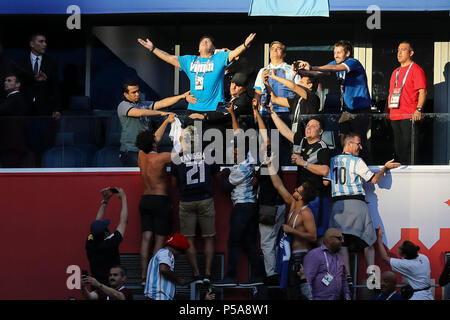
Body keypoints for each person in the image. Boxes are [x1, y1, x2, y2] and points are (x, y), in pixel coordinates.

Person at [324, 133, 400, 286]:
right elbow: (373, 180)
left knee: (341, 243)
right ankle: (372, 281)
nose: (361, 147)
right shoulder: (357, 161)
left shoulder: (332, 161)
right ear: (348, 144)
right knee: (368, 243)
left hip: (337, 206)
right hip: (356, 203)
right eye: (358, 144)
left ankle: (348, 278)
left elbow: (326, 183)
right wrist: (384, 168)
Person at [138, 33, 256, 117]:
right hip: (194, 108)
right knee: (192, 147)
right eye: (202, 42)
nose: (205, 42)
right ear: (198, 49)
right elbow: (169, 58)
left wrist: (245, 45)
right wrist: (153, 49)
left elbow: (235, 53)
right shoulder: (190, 60)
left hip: (215, 109)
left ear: (214, 48)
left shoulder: (219, 58)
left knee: (216, 147)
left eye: (208, 41)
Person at [213, 105, 264, 287]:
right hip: (251, 207)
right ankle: (258, 277)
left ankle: (231, 277)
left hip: (242, 208)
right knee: (250, 244)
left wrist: (224, 172)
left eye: (235, 152)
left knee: (233, 242)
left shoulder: (241, 168)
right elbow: (238, 134)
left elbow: (226, 186)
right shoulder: (249, 157)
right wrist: (233, 113)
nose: (233, 154)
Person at [297, 40, 372, 163]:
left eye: (339, 52)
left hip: (360, 111)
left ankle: (367, 168)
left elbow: (334, 68)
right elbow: (318, 72)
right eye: (334, 52)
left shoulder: (353, 62)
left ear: (347, 53)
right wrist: (301, 70)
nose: (335, 55)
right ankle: (346, 165)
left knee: (359, 142)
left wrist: (311, 67)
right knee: (342, 140)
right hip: (346, 111)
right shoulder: (335, 63)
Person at [170, 125, 221, 284]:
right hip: (205, 198)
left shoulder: (177, 158)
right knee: (209, 238)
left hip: (186, 200)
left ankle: (196, 273)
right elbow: (218, 176)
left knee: (189, 239)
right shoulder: (207, 154)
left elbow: (173, 184)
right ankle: (207, 273)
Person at [270, 111, 331, 239]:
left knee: (315, 234)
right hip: (301, 196)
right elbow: (285, 131)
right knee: (298, 229)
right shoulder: (302, 141)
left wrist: (303, 163)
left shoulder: (323, 148)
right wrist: (272, 113)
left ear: (320, 132)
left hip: (316, 197)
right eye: (308, 125)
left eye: (313, 126)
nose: (308, 128)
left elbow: (325, 170)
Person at [135, 114, 178, 285]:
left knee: (146, 239)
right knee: (159, 240)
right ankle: (154, 274)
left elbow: (154, 140)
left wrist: (166, 121)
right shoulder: (162, 158)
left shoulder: (141, 155)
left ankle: (144, 276)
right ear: (154, 144)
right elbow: (183, 153)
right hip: (160, 201)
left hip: (145, 200)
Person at [267, 158, 317, 300]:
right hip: (289, 257)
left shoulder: (306, 212)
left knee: (300, 293)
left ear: (301, 196)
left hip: (301, 257)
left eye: (298, 189)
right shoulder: (293, 205)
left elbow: (313, 237)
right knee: (289, 292)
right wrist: (270, 166)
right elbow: (279, 186)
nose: (294, 189)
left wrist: (292, 231)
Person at [251, 100, 286, 285]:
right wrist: (256, 112)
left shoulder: (268, 160)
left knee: (267, 242)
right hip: (279, 204)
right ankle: (279, 272)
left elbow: (266, 138)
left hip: (268, 206)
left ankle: (272, 275)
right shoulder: (272, 158)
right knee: (277, 240)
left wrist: (257, 113)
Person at [117, 79, 190, 166]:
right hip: (131, 150)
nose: (137, 94)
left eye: (138, 91)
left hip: (147, 148)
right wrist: (161, 112)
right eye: (134, 92)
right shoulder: (123, 105)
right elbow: (139, 112)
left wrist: (182, 96)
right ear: (126, 94)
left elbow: (162, 103)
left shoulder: (142, 104)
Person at [253, 41, 297, 166]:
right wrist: (256, 115)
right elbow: (258, 93)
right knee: (265, 149)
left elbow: (297, 91)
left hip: (284, 115)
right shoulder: (263, 71)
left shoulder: (290, 70)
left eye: (278, 48)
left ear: (284, 53)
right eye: (272, 48)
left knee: (283, 150)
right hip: (265, 115)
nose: (274, 50)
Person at [388, 41, 427, 164]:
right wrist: (388, 111)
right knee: (398, 150)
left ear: (411, 53)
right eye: (398, 50)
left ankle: (413, 179)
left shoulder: (416, 69)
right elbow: (391, 93)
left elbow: (423, 91)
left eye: (403, 50)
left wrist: (419, 109)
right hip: (395, 115)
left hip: (409, 116)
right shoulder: (395, 72)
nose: (399, 53)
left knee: (409, 150)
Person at [85, 187, 128, 286]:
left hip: (97, 288)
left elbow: (97, 223)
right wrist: (123, 198)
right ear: (105, 234)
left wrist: (105, 201)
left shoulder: (90, 243)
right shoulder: (110, 243)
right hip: (111, 288)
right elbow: (124, 221)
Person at [376, 227, 434, 300]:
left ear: (404, 255)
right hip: (429, 296)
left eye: (399, 248)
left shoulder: (406, 265)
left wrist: (379, 240)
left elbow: (384, 258)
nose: (397, 247)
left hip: (416, 297)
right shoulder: (424, 258)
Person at [16, 32, 60, 118]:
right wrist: (34, 79)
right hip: (24, 108)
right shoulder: (20, 63)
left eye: (45, 42)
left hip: (45, 109)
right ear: (32, 44)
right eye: (41, 41)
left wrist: (57, 109)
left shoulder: (51, 63)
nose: (45, 44)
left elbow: (55, 87)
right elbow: (17, 85)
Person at [263, 68, 320, 134]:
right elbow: (275, 99)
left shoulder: (313, 97)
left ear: (310, 85)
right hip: (295, 136)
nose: (298, 84)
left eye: (301, 82)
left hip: (308, 137)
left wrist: (274, 77)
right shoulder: (296, 99)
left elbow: (293, 86)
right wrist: (266, 82)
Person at [303, 228, 351, 300]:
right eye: (339, 238)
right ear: (329, 239)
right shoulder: (314, 255)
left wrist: (347, 296)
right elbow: (307, 281)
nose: (342, 241)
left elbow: (343, 279)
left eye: (343, 238)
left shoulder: (339, 257)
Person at [144, 233, 190, 300]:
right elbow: (163, 269)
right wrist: (178, 280)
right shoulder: (166, 253)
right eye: (181, 253)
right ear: (177, 248)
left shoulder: (161, 253)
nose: (179, 255)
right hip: (159, 296)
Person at [0, 74, 32, 167]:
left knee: (10, 169)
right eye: (5, 80)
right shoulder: (9, 98)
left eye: (9, 80)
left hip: (12, 143)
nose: (5, 82)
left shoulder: (16, 98)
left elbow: (2, 110)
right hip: (10, 143)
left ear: (18, 84)